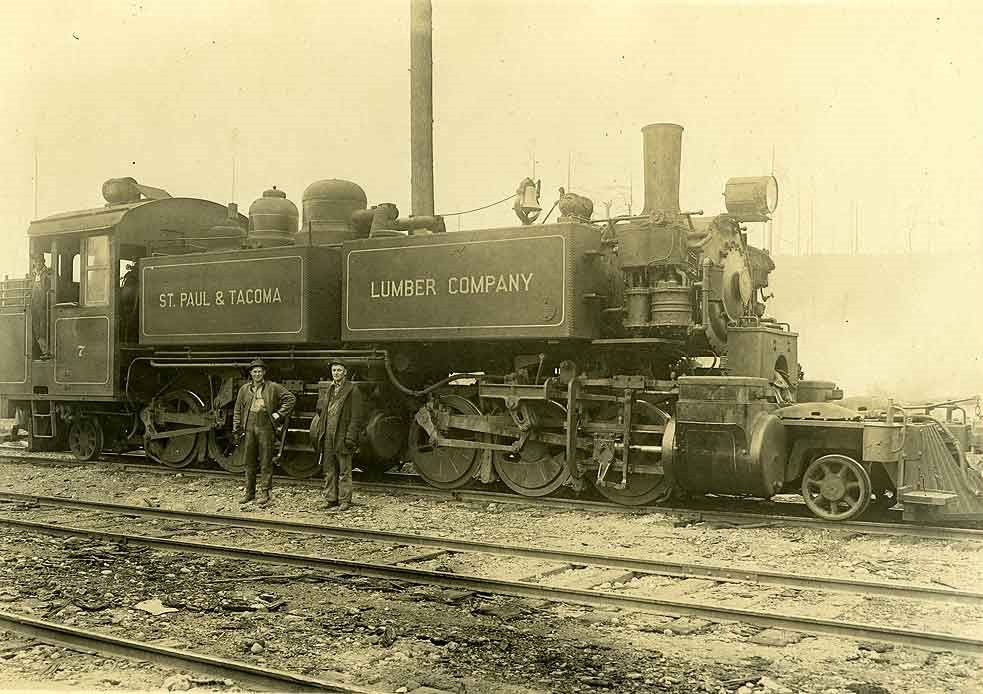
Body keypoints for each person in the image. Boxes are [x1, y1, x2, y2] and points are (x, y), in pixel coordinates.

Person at [232, 358, 296, 507]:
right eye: (255, 371)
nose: (257, 374)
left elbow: (290, 399)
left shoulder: (273, 387)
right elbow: (237, 410)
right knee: (249, 461)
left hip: (265, 426)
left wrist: (278, 414)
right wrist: (236, 427)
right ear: (251, 373)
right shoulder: (244, 389)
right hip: (249, 426)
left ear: (264, 373)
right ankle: (249, 493)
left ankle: (265, 493)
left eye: (260, 371)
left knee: (266, 460)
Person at [312, 360, 365, 512]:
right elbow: (322, 413)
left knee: (344, 470)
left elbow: (356, 417)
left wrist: (350, 436)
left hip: (342, 435)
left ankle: (344, 500)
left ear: (345, 372)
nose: (336, 373)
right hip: (328, 433)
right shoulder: (329, 389)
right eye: (334, 370)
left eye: (339, 370)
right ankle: (331, 499)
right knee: (329, 469)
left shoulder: (353, 390)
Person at [30, 253, 51, 359]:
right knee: (36, 329)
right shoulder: (33, 274)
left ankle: (46, 351)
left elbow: (48, 288)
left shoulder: (47, 274)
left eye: (39, 261)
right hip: (35, 304)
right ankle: (42, 350)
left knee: (42, 329)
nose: (37, 263)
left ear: (43, 262)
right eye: (36, 261)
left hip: (44, 304)